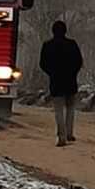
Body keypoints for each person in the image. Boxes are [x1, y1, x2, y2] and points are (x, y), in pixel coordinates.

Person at [38, 19, 83, 147]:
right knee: (70, 108)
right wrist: (73, 73)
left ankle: (61, 135)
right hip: (70, 80)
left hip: (56, 81)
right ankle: (70, 133)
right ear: (65, 31)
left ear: (53, 31)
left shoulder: (47, 45)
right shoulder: (72, 44)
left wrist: (51, 73)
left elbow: (42, 64)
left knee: (58, 110)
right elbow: (79, 61)